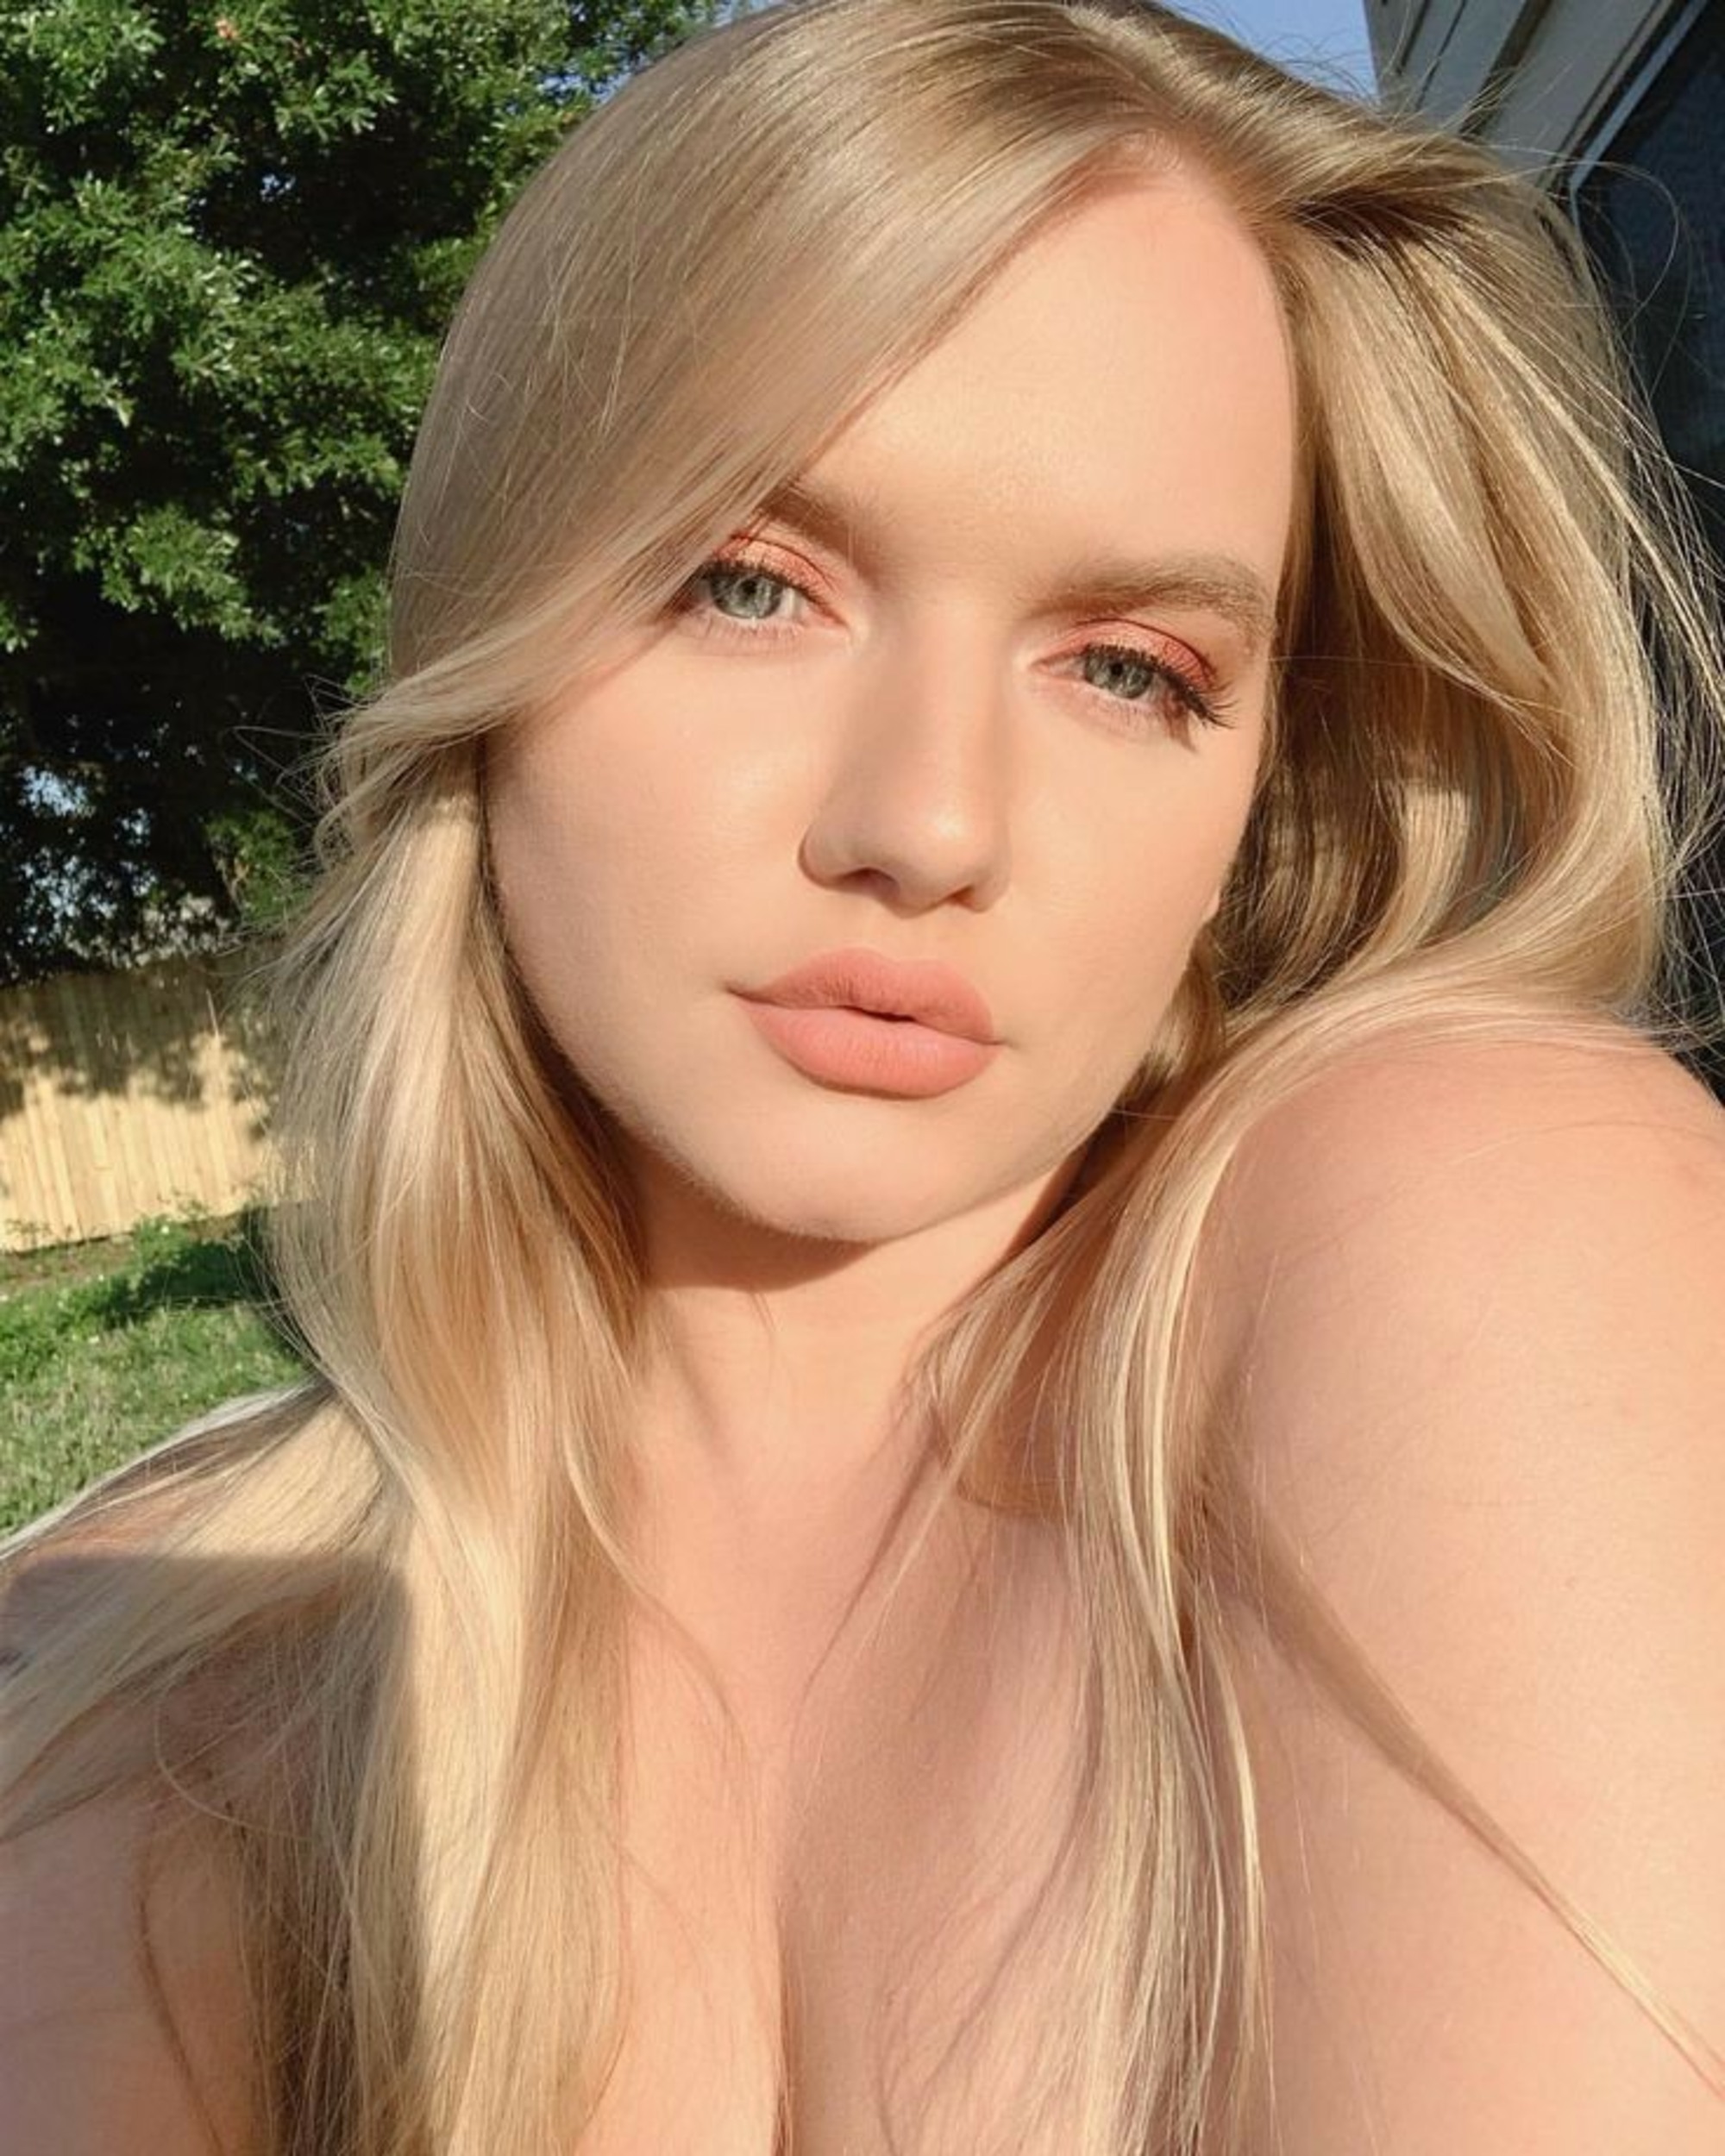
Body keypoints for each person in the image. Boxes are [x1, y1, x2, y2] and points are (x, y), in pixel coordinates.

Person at [3, 1, 1724, 2149]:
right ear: (485, 636)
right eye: (752, 582)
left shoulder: (1470, 1211)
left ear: (1264, 786)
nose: (926, 822)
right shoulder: (153, 1637)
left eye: (1129, 668)